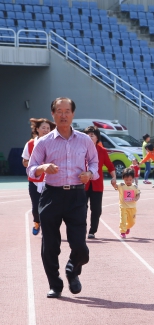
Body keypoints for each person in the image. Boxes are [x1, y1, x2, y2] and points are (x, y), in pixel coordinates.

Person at [27, 97, 99, 298]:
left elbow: (94, 163)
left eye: (67, 111)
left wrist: (90, 174)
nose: (63, 115)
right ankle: (55, 284)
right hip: (52, 195)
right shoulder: (43, 142)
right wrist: (42, 167)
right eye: (59, 111)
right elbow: (31, 170)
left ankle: (72, 270)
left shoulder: (84, 140)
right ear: (53, 114)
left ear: (73, 114)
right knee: (50, 244)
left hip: (76, 196)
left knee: (81, 248)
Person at [82, 126, 117, 239]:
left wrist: (114, 178)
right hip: (82, 184)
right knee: (81, 208)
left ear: (97, 138)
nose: (90, 136)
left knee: (96, 209)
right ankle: (81, 229)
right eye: (87, 134)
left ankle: (92, 231)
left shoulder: (102, 151)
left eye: (92, 135)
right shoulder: (80, 149)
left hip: (97, 185)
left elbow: (110, 165)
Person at [22, 118, 56, 235]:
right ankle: (37, 221)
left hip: (50, 181)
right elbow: (24, 161)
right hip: (34, 181)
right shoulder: (30, 144)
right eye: (43, 128)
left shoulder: (54, 143)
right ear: (37, 129)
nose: (46, 130)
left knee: (49, 208)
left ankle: (48, 228)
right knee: (36, 207)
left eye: (48, 128)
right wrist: (35, 165)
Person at [117, 167, 141, 239]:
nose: (128, 181)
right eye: (126, 180)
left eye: (130, 180)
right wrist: (113, 182)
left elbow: (138, 194)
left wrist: (136, 198)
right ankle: (122, 232)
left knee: (132, 222)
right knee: (123, 219)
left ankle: (127, 227)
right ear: (123, 178)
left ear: (133, 179)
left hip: (132, 207)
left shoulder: (135, 187)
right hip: (123, 206)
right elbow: (115, 185)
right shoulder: (121, 185)